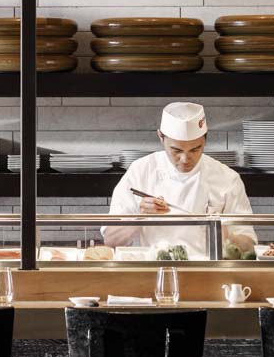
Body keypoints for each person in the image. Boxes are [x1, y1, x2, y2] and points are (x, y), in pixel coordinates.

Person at [102, 102, 257, 258]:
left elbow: (249, 246)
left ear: (205, 139)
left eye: (195, 149)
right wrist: (139, 216)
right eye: (176, 150)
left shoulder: (227, 178)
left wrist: (225, 234)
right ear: (160, 137)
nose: (185, 159)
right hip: (153, 266)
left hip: (208, 268)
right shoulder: (140, 171)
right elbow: (110, 240)